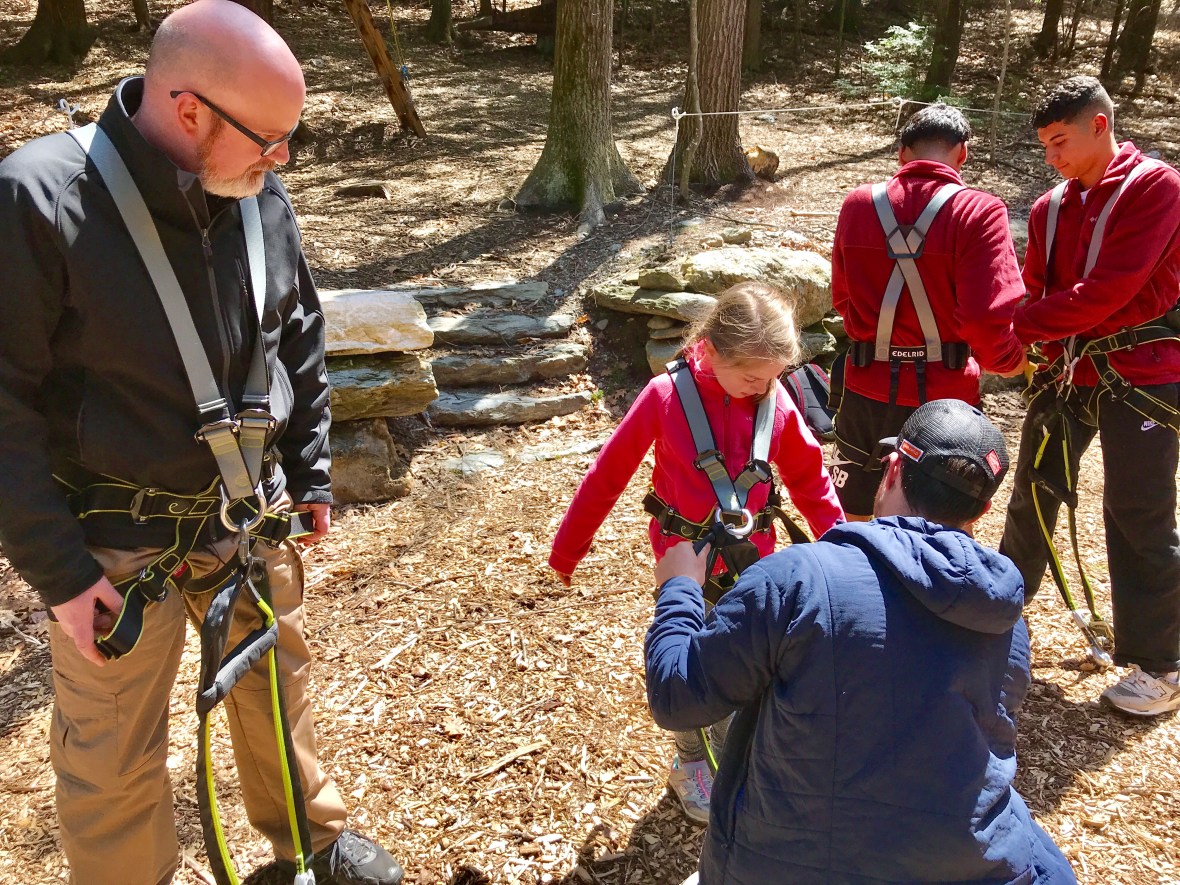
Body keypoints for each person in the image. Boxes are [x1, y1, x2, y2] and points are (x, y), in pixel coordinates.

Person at [0, 2, 402, 883]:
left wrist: (310, 467)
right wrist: (60, 572)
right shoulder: (38, 199)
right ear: (189, 111)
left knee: (277, 690)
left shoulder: (252, 188)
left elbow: (296, 328)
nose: (282, 158)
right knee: (111, 759)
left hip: (248, 516)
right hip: (113, 547)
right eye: (269, 138)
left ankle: (311, 842)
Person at [648, 399, 1077, 884]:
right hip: (965, 864)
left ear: (892, 470)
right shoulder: (1005, 621)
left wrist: (679, 588)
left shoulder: (800, 578)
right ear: (982, 509)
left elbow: (677, 697)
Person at [549, 282, 844, 824]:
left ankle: (744, 750)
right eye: (752, 378)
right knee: (687, 662)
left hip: (755, 563)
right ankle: (690, 762)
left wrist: (843, 548)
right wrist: (568, 550)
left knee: (752, 661)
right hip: (684, 562)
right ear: (713, 350)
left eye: (773, 378)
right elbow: (607, 475)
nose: (763, 389)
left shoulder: (774, 400)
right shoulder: (665, 397)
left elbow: (811, 481)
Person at [999, 75, 1180, 716]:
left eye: (1060, 141)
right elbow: (1037, 286)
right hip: (1067, 372)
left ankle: (1162, 663)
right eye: (1044, 145)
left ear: (1099, 126)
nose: (1051, 157)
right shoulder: (1051, 207)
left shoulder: (1156, 188)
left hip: (1143, 374)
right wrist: (1031, 331)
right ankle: (998, 613)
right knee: (1033, 492)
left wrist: (1016, 328)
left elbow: (1110, 291)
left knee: (1138, 511)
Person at [830, 103, 1029, 520]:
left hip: (866, 388)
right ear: (963, 153)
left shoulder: (858, 204)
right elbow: (985, 317)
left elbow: (843, 298)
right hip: (946, 401)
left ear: (902, 153)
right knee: (941, 523)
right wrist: (1009, 361)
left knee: (854, 519)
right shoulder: (980, 211)